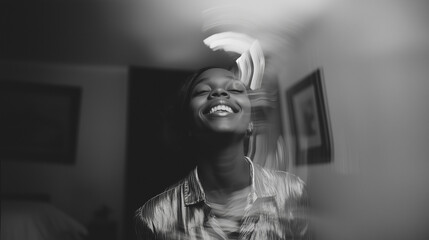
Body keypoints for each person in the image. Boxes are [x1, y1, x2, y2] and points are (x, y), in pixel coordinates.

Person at [134, 66, 310, 240]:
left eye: (234, 89)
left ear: (250, 123)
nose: (219, 92)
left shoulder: (292, 192)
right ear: (188, 124)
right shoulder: (155, 218)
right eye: (202, 91)